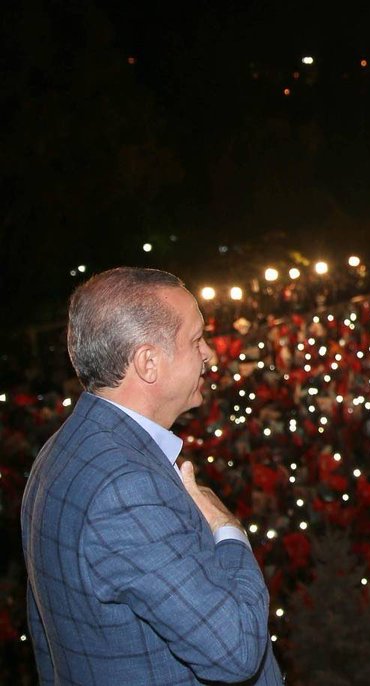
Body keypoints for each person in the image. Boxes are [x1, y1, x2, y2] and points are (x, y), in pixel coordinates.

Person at [21, 267, 283, 685]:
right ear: (148, 362)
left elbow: (49, 641)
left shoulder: (61, 450)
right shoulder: (123, 487)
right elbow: (235, 651)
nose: (209, 354)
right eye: (196, 340)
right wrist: (228, 532)